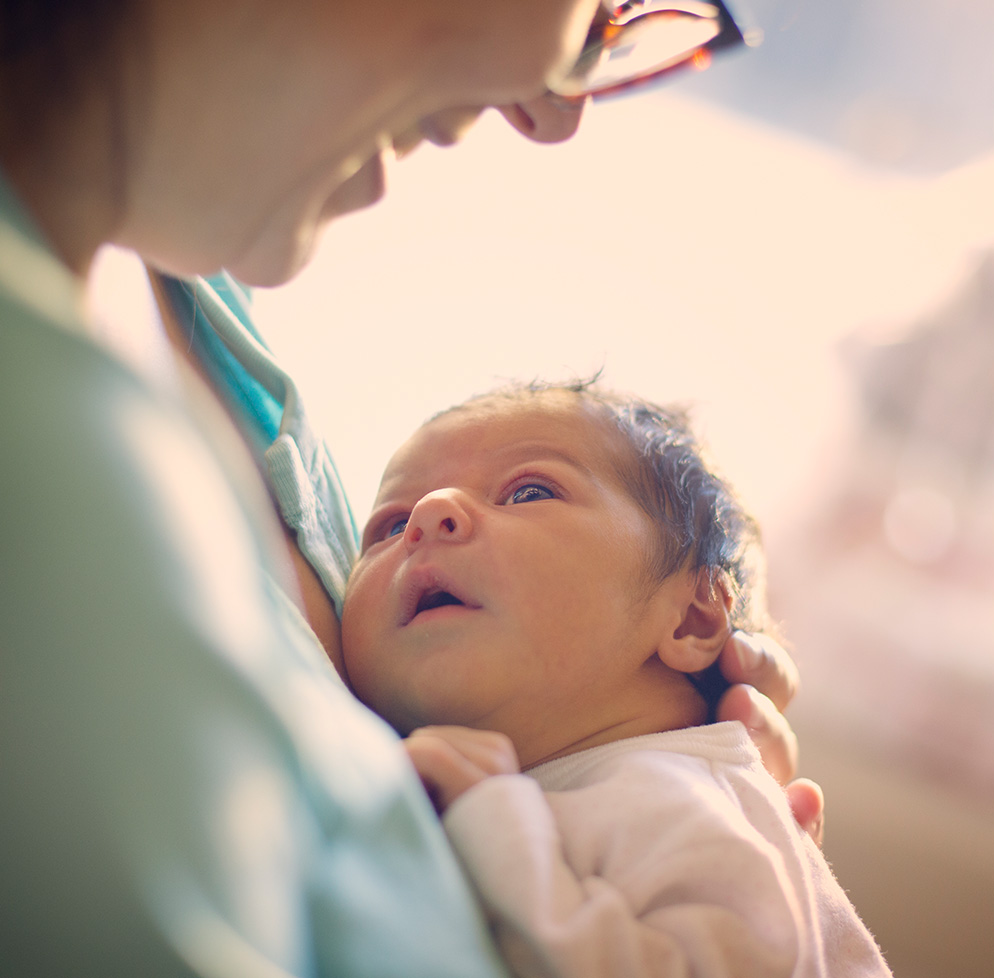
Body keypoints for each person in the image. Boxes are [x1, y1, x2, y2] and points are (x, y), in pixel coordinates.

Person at [1, 2, 820, 975]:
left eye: (526, 494)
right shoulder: (43, 425)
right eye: (595, 5)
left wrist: (657, 800)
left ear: (692, 617)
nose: (556, 113)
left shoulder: (214, 315)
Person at [341, 381, 891, 978]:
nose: (429, 513)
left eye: (527, 491)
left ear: (691, 618)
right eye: (388, 528)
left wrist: (491, 821)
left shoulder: (674, 793)